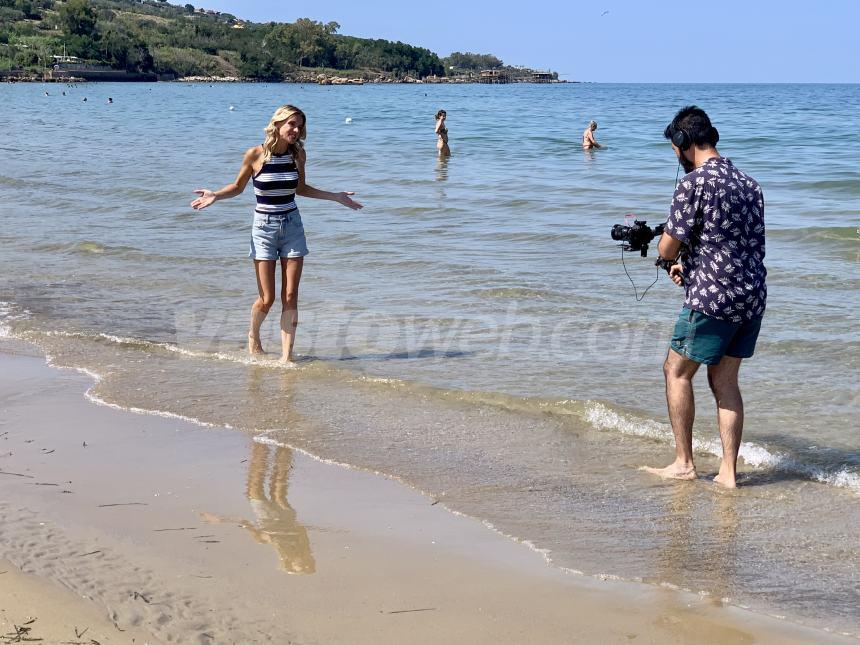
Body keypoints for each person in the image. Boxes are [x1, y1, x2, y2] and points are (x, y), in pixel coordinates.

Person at [644, 106, 766, 489]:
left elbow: (666, 248)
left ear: (682, 142)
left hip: (713, 297)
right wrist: (691, 266)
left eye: (674, 148)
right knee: (725, 381)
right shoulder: (749, 183)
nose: (675, 157)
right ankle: (728, 474)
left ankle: (684, 463)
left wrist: (671, 260)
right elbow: (730, 242)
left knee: (676, 371)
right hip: (752, 295)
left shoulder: (692, 184)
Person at [190, 104, 363, 362]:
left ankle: (286, 357)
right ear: (278, 124)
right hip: (263, 229)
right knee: (267, 298)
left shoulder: (298, 155)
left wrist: (334, 197)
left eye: (300, 126)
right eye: (292, 124)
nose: (296, 130)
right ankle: (253, 335)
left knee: (291, 295)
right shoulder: (255, 154)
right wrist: (215, 194)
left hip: (293, 225)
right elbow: (238, 187)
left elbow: (301, 189)